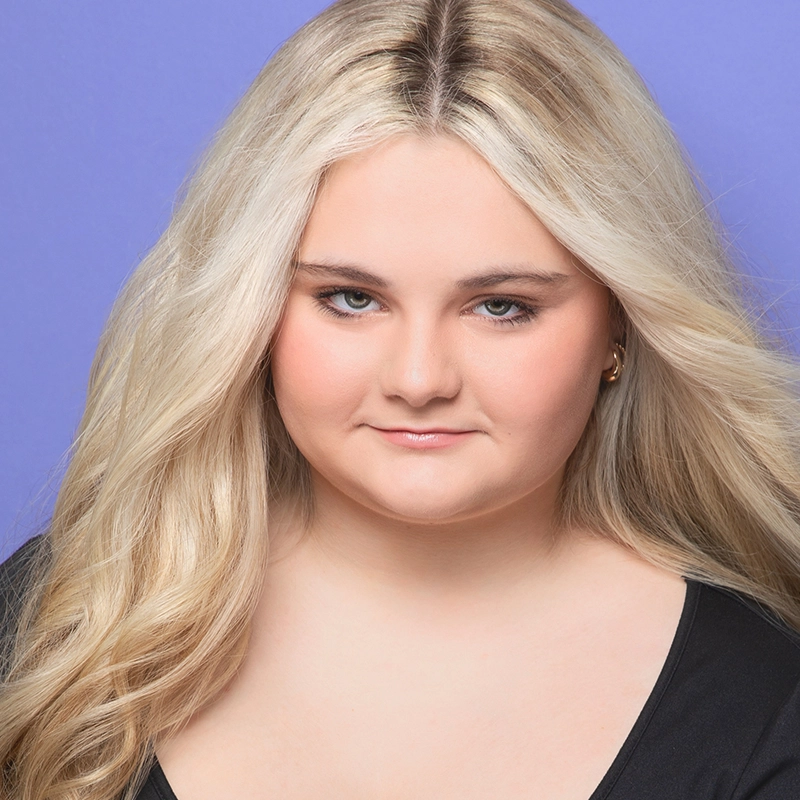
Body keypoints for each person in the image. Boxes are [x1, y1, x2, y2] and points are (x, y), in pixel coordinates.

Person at [2, 0, 800, 797]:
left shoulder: (768, 700)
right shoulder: (59, 635)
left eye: (502, 307)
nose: (419, 381)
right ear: (248, 313)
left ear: (618, 328)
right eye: (351, 298)